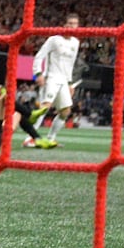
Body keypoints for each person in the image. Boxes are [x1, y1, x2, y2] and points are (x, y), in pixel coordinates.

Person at [30, 13, 82, 147]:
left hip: (64, 81)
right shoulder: (54, 40)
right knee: (44, 108)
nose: (71, 26)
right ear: (64, 25)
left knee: (65, 111)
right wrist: (38, 73)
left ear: (77, 27)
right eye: (69, 23)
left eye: (74, 24)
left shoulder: (75, 43)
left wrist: (70, 83)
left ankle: (51, 138)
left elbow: (70, 64)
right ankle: (30, 138)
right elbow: (39, 56)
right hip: (51, 77)